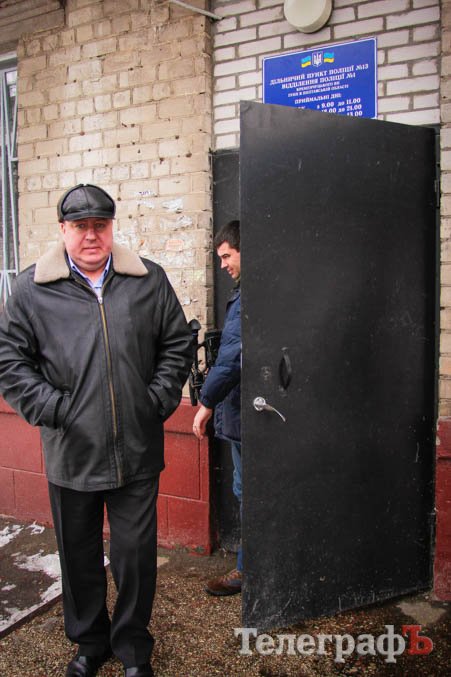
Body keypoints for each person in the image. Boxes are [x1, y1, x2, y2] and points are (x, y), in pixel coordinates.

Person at [0, 184, 192, 677]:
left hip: (136, 450)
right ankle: (90, 643)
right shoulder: (32, 289)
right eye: (81, 226)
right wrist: (56, 410)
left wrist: (154, 401)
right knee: (79, 556)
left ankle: (133, 651)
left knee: (134, 559)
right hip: (71, 451)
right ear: (63, 230)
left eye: (100, 225)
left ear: (111, 227)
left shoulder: (147, 280)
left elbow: (177, 344)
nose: (91, 235)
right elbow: (10, 361)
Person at [192, 220, 242, 596]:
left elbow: (232, 358)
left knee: (247, 489)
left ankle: (248, 570)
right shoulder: (249, 292)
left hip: (250, 412)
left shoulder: (252, 294)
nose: (223, 265)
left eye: (227, 256)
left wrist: (206, 403)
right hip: (246, 410)